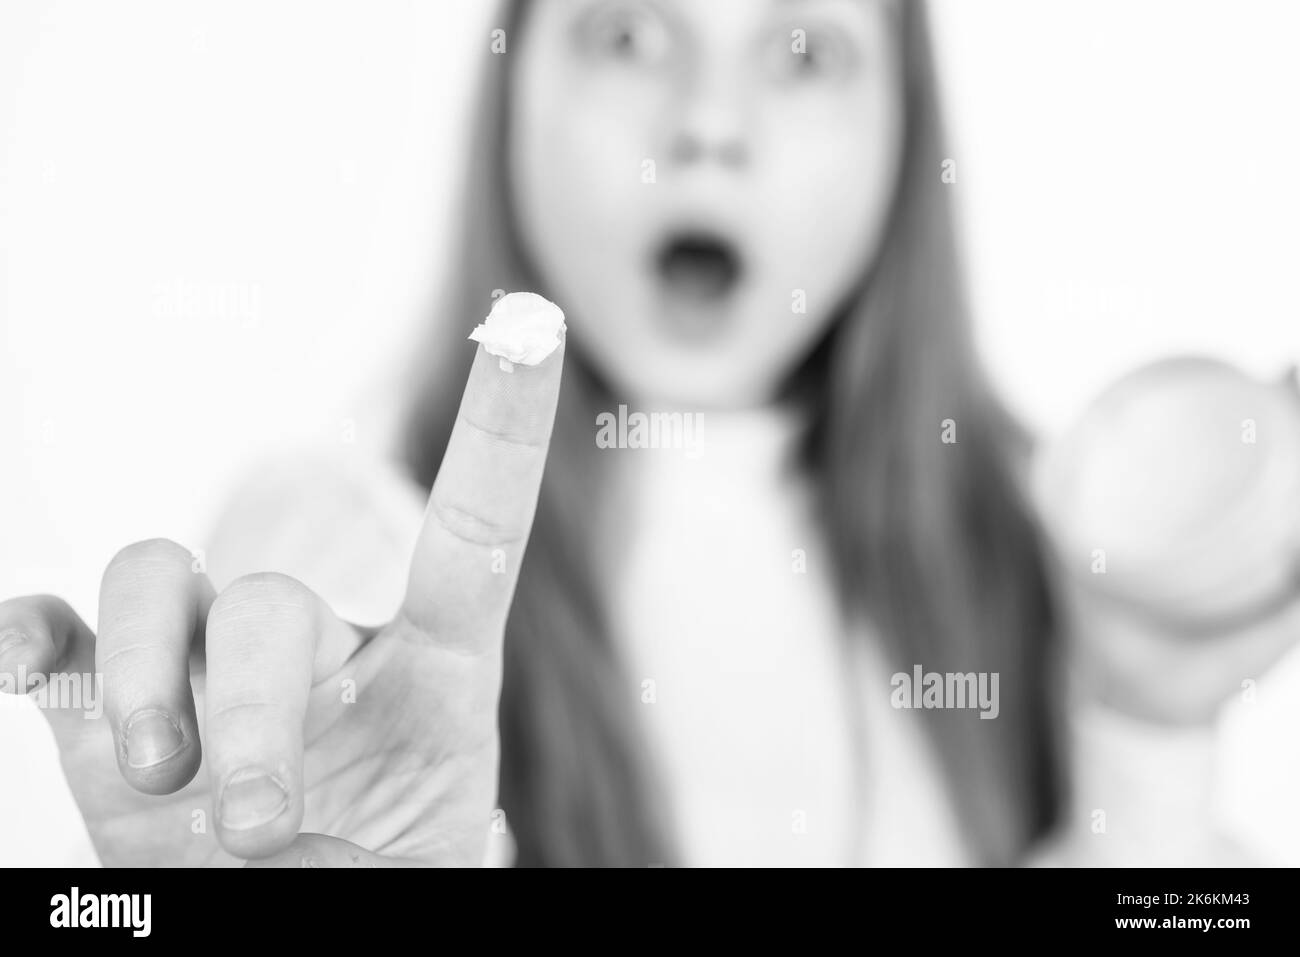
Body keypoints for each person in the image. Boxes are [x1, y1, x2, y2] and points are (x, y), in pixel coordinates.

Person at [1, 0, 1292, 867]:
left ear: (907, 126)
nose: (708, 125)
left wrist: (1147, 727)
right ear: (514, 84)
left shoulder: (1036, 541)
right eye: (628, 35)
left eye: (800, 53)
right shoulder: (349, 541)